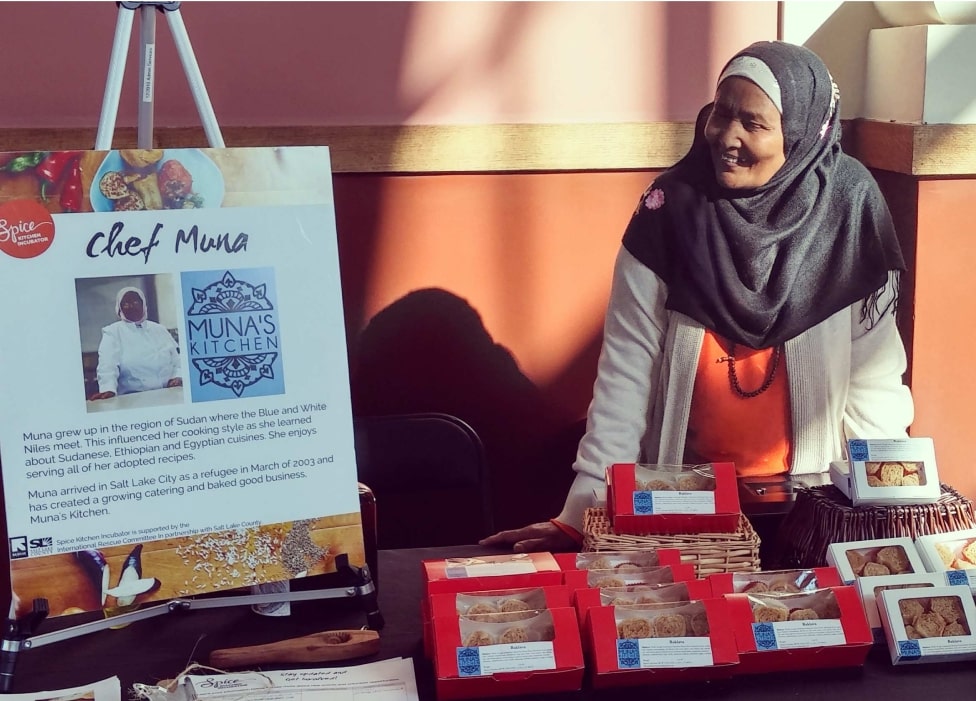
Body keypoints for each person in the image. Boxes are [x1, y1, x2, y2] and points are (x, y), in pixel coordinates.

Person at [480, 41, 913, 553]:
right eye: (720, 114)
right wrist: (583, 511)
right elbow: (627, 369)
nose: (727, 137)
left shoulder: (849, 207)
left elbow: (874, 378)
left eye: (753, 123)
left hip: (815, 512)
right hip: (682, 510)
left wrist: (890, 506)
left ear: (800, 134)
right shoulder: (669, 210)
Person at [89, 286, 183, 400]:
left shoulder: (159, 329)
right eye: (126, 304)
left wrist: (178, 376)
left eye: (136, 302)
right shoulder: (112, 332)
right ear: (119, 309)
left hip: (169, 394)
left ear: (143, 304)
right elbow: (107, 366)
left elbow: (177, 361)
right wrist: (107, 388)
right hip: (133, 398)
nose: (132, 306)